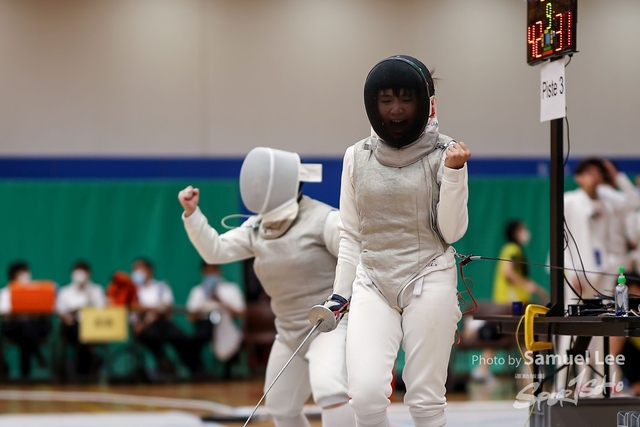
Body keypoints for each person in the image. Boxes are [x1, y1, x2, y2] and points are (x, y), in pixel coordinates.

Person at [314, 55, 470, 427]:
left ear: (424, 102)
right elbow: (352, 233)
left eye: (405, 99)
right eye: (386, 100)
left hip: (429, 275)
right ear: (373, 103)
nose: (396, 110)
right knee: (365, 396)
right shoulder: (356, 156)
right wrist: (339, 294)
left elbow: (451, 233)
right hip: (373, 280)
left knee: (425, 399)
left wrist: (454, 174)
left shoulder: (446, 153)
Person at [178, 146, 354, 427]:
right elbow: (215, 251)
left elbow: (355, 259)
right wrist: (192, 214)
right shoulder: (256, 228)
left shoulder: (325, 220)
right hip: (289, 331)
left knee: (330, 390)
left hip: (328, 326)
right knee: (281, 407)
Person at [469, 220, 548, 382]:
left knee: (514, 334)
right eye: (523, 229)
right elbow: (508, 271)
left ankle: (483, 369)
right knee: (525, 333)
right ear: (515, 232)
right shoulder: (512, 249)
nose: (526, 232)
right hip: (513, 304)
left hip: (511, 303)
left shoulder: (510, 249)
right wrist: (527, 285)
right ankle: (532, 369)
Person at [130, 258, 200, 375]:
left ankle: (196, 369)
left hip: (161, 324)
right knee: (152, 338)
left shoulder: (161, 287)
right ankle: (165, 365)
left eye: (140, 269)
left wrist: (148, 313)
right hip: (142, 329)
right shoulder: (132, 290)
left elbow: (165, 307)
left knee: (182, 339)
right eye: (134, 270)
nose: (136, 273)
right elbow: (133, 307)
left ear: (149, 271)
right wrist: (150, 310)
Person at [186, 262, 245, 370]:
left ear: (219, 271)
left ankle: (229, 367)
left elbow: (241, 313)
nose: (211, 274)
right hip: (204, 327)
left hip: (227, 325)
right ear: (203, 273)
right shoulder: (197, 291)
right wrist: (204, 302)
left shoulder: (231, 289)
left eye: (213, 270)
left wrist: (220, 301)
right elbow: (190, 317)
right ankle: (200, 371)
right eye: (208, 271)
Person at [0, 261, 52, 378]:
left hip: (34, 327)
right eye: (22, 273)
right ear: (14, 275)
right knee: (25, 327)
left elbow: (47, 307)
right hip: (15, 328)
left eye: (26, 272)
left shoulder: (36, 291)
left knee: (29, 329)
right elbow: (3, 311)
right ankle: (38, 355)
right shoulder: (6, 292)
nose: (26, 275)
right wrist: (18, 310)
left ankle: (25, 374)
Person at [56, 260, 106, 378]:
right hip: (71, 328)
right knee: (77, 330)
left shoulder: (96, 290)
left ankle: (85, 370)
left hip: (93, 328)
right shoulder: (65, 292)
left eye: (83, 272)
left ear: (89, 274)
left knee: (84, 331)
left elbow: (101, 310)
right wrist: (66, 317)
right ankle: (79, 371)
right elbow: (60, 310)